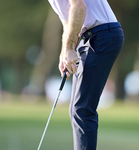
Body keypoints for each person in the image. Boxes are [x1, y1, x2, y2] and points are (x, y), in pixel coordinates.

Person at [48, 0, 124, 150]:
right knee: (77, 109)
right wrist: (65, 52)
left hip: (103, 35)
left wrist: (70, 49)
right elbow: (68, 21)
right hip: (92, 36)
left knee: (82, 109)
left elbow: (78, 6)